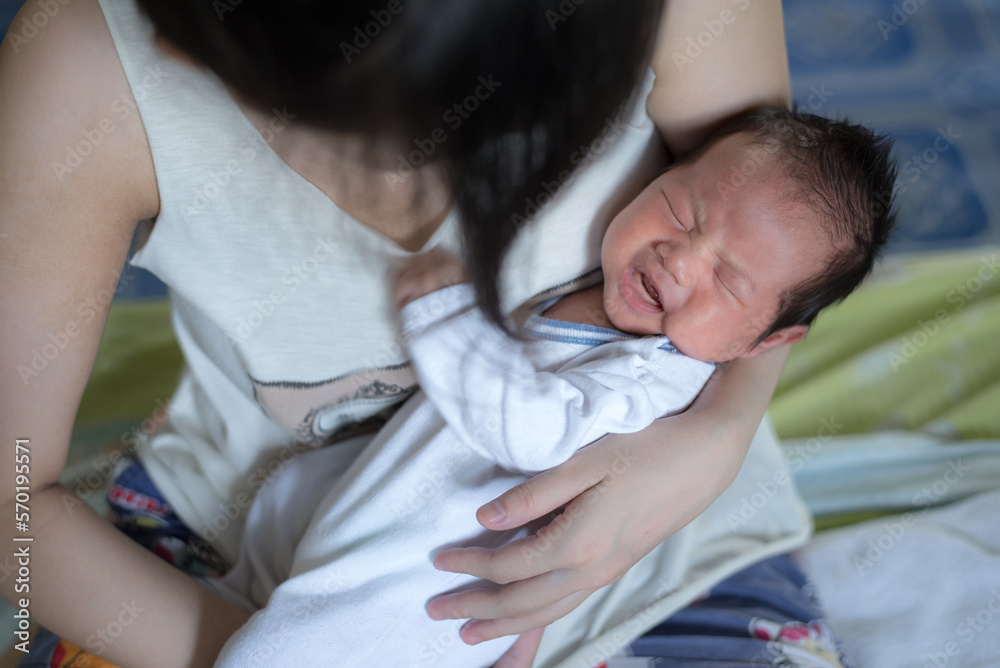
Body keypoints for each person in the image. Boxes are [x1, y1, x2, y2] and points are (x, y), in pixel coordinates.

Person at [0, 0, 814, 666]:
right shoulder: (87, 64)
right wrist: (287, 651)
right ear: (190, 43)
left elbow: (792, 272)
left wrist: (716, 437)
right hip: (226, 565)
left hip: (646, 548)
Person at [208, 108, 897, 667]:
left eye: (728, 279)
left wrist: (444, 320)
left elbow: (535, 433)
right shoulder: (604, 298)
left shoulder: (654, 375)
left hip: (430, 594)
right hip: (367, 517)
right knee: (280, 524)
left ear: (764, 343)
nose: (681, 260)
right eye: (681, 212)